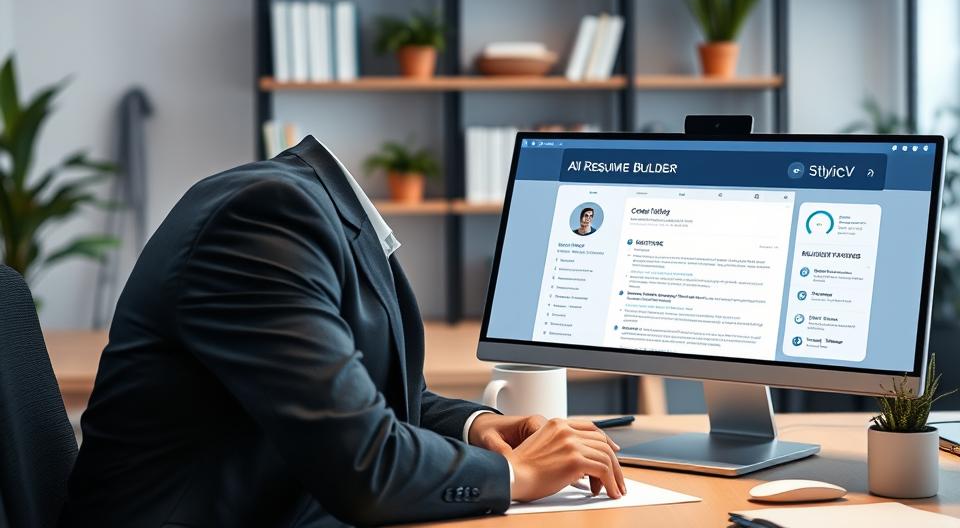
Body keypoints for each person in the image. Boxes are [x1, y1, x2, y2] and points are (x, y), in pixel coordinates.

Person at [59, 137, 625, 528]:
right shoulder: (265, 218)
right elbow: (363, 466)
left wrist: (481, 429)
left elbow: (368, 404)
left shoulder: (305, 212)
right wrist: (514, 473)